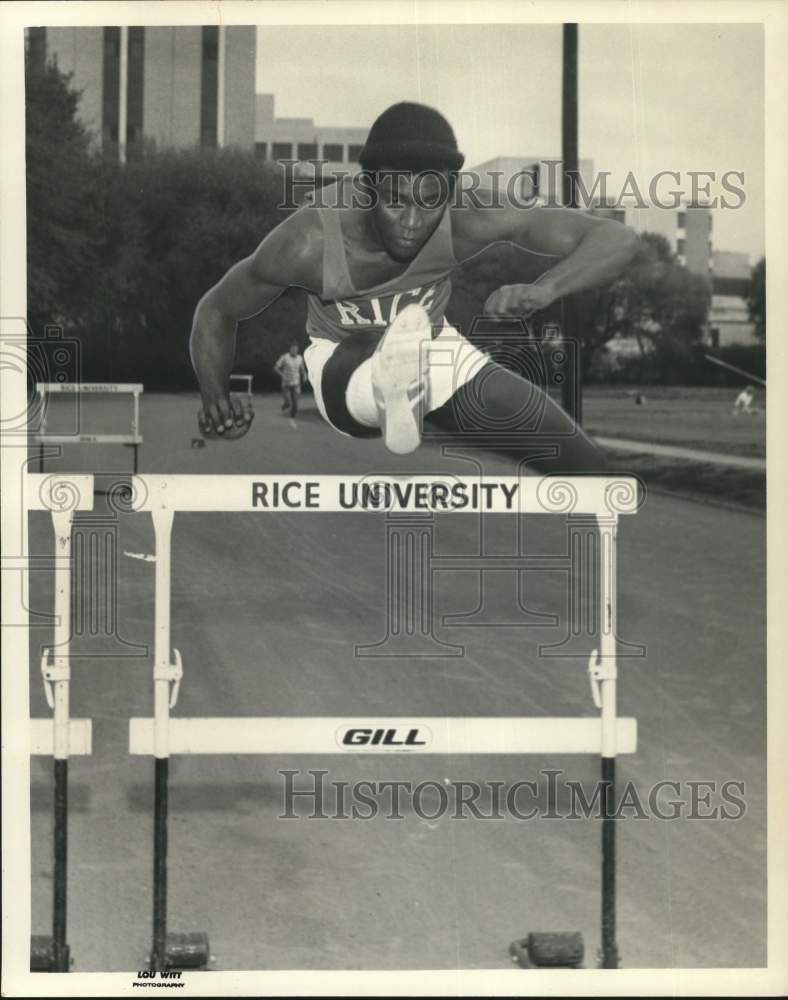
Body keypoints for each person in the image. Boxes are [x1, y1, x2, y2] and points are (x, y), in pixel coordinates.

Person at [190, 102, 639, 471]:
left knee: (585, 468)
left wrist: (548, 288)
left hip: (434, 348)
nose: (410, 222)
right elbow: (216, 309)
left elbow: (616, 238)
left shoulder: (468, 212)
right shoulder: (307, 242)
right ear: (368, 189)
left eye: (429, 203)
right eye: (396, 202)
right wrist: (215, 399)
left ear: (448, 191)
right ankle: (388, 387)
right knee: (375, 345)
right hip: (341, 360)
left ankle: (406, 382)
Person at [274, 342, 307, 419]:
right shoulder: (285, 357)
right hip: (286, 384)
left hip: (296, 383)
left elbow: (302, 369)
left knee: (295, 404)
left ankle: (293, 415)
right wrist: (282, 375)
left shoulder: (300, 358)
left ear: (297, 350)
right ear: (290, 349)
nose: (294, 351)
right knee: (288, 402)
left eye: (296, 350)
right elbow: (276, 367)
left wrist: (305, 375)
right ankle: (286, 404)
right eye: (293, 349)